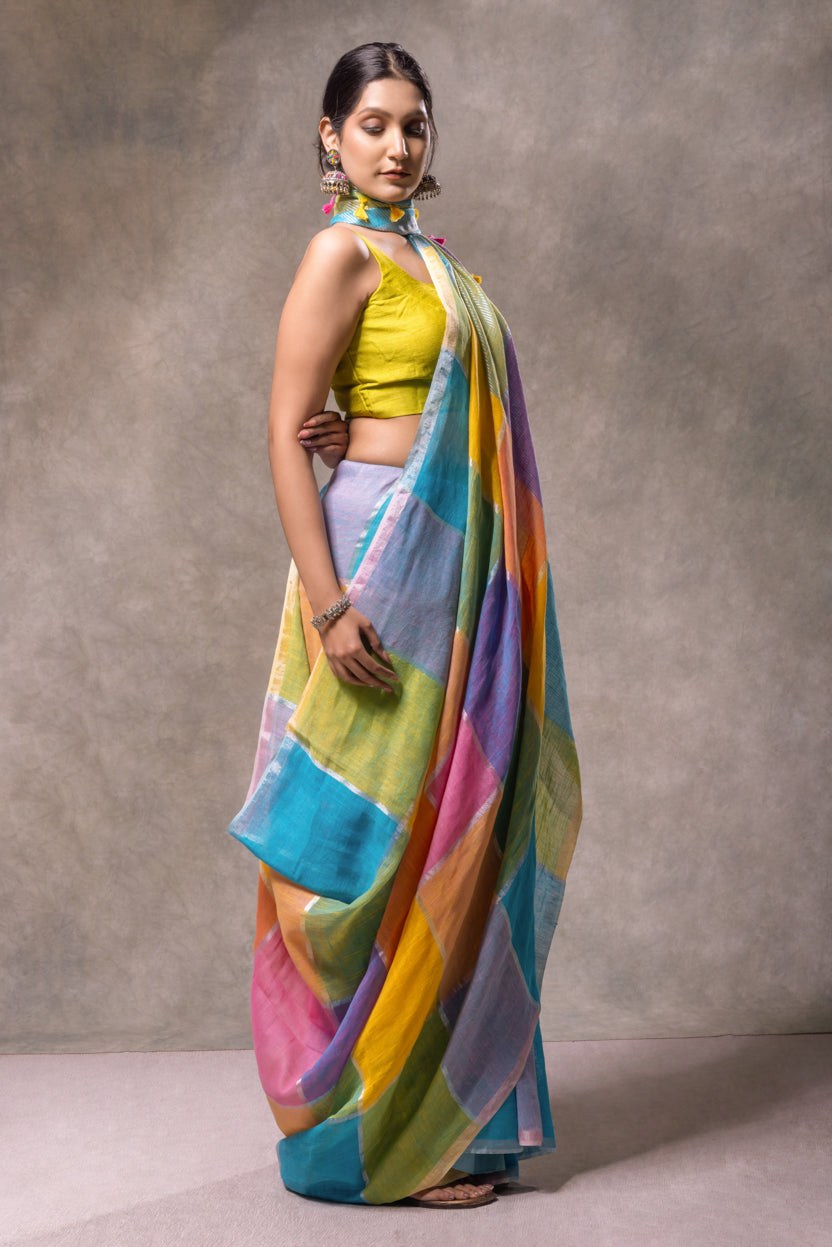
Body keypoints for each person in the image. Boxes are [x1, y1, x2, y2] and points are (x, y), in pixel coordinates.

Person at [228, 42, 582, 1208]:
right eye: (374, 123)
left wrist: (364, 425)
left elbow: (411, 407)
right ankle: (364, 1127)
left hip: (456, 576)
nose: (397, 144)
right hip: (373, 570)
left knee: (450, 832)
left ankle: (435, 1116)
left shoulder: (434, 264)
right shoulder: (338, 251)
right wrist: (330, 605)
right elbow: (289, 428)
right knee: (366, 849)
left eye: (414, 125)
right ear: (329, 135)